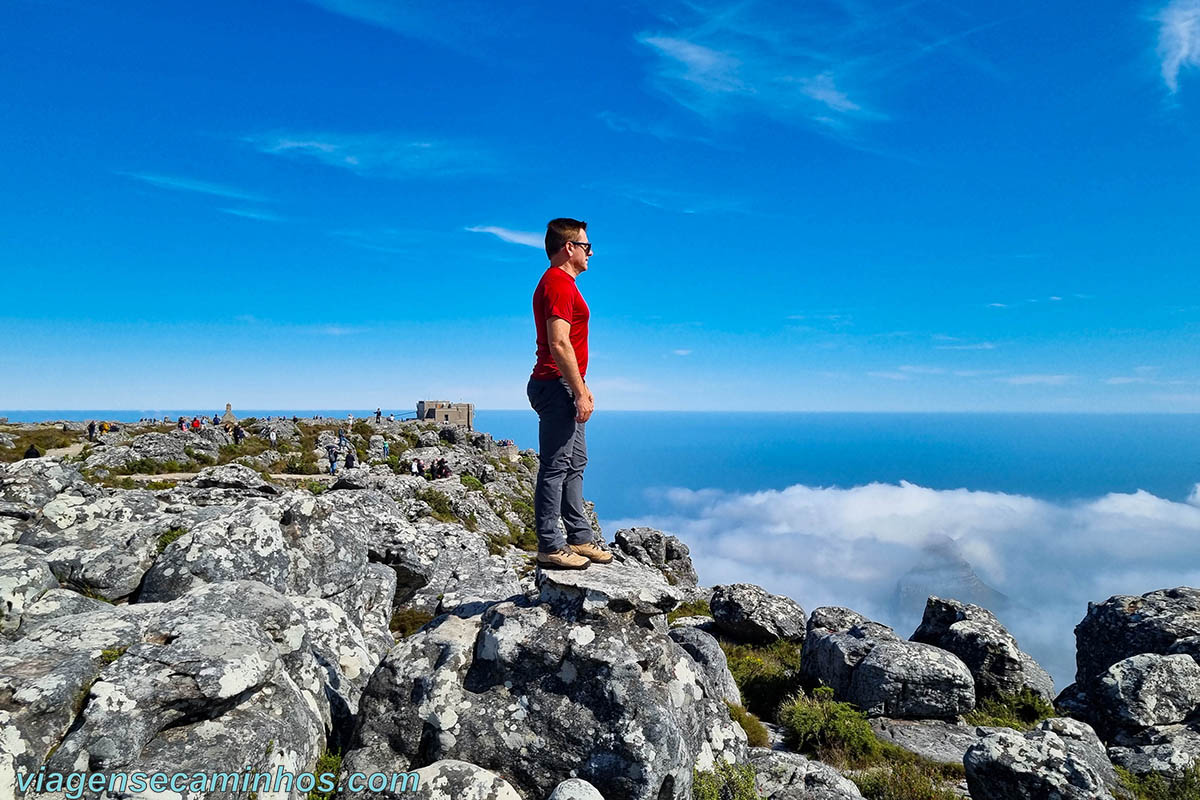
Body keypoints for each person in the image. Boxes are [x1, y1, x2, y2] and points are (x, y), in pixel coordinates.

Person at [526, 218, 610, 570]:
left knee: (575, 463)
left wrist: (581, 388)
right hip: (556, 385)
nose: (591, 252)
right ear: (569, 248)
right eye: (587, 246)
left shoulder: (564, 284)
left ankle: (579, 537)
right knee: (556, 467)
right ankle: (550, 545)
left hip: (564, 386)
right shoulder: (558, 283)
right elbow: (559, 342)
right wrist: (579, 391)